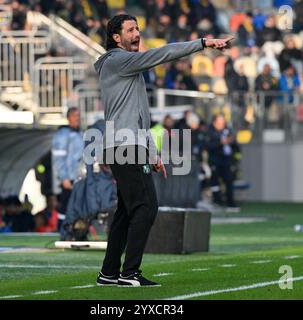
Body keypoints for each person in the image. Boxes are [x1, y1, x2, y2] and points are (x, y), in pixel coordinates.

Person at [93, 14, 232, 287]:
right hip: (124, 145)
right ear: (116, 37)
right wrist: (202, 43)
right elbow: (163, 53)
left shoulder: (126, 67)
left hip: (126, 145)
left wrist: (152, 154)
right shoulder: (118, 60)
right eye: (131, 29)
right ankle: (129, 273)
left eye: (138, 28)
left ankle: (109, 273)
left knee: (126, 211)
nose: (137, 33)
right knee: (146, 207)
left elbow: (141, 115)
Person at [52, 107, 84, 228]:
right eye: (74, 115)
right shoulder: (62, 135)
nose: (77, 118)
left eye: (78, 115)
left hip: (80, 177)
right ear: (68, 118)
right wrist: (64, 177)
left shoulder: (81, 134)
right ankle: (61, 229)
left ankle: (78, 230)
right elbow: (59, 159)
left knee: (79, 205)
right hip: (69, 177)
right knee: (66, 204)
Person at [206, 114, 240, 213]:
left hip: (227, 161)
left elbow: (234, 146)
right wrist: (220, 142)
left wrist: (232, 142)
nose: (221, 124)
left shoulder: (227, 131)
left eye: (223, 122)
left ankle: (231, 202)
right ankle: (217, 201)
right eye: (219, 122)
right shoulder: (210, 132)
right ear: (214, 122)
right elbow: (208, 146)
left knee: (229, 181)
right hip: (215, 161)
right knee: (215, 182)